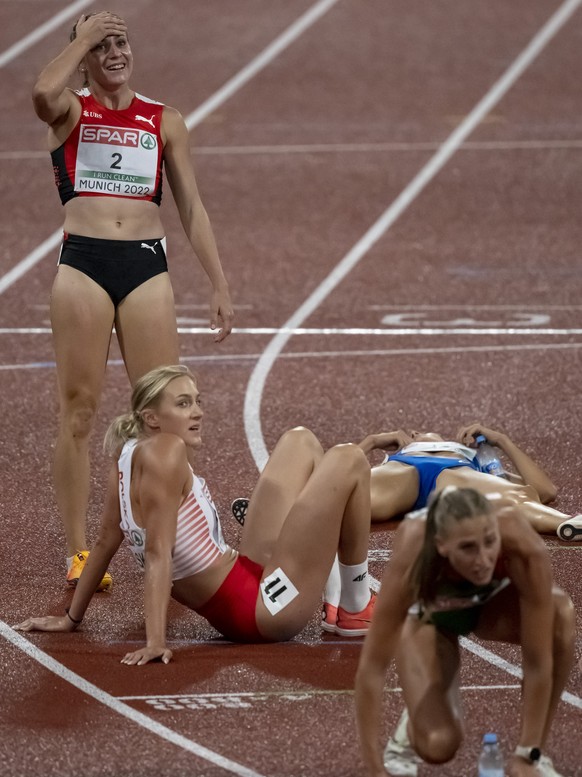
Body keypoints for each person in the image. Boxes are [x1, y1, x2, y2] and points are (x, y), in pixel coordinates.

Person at [32, 12, 234, 588]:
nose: (115, 52)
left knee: (164, 416)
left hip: (146, 265)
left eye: (121, 43)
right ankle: (78, 554)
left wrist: (218, 283)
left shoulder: (163, 119)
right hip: (84, 266)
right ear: (84, 56)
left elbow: (191, 207)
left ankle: (179, 541)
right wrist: (83, 40)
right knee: (78, 411)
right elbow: (43, 91)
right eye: (103, 46)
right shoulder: (68, 110)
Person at [16, 365, 377, 660]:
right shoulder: (167, 453)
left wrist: (71, 618)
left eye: (197, 402)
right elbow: (159, 555)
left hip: (249, 574)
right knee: (349, 458)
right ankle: (354, 603)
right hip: (264, 610)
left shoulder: (127, 453)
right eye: (184, 404)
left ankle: (329, 583)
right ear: (152, 418)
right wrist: (156, 642)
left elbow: (106, 539)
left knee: (300, 441)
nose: (198, 412)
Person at [354, 487, 576, 777]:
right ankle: (414, 724)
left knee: (560, 613)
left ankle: (534, 757)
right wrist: (374, 770)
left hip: (490, 608)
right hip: (430, 619)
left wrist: (526, 753)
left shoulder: (523, 545)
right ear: (441, 544)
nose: (483, 559)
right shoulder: (414, 549)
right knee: (438, 745)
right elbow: (372, 668)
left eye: (489, 542)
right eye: (468, 548)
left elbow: (537, 660)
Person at [359, 424, 578, 535]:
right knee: (350, 495)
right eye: (413, 432)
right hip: (403, 471)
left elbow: (545, 491)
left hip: (457, 473)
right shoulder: (396, 456)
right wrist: (372, 442)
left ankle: (565, 524)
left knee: (518, 497)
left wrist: (501, 440)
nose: (416, 432)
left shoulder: (470, 454)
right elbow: (338, 477)